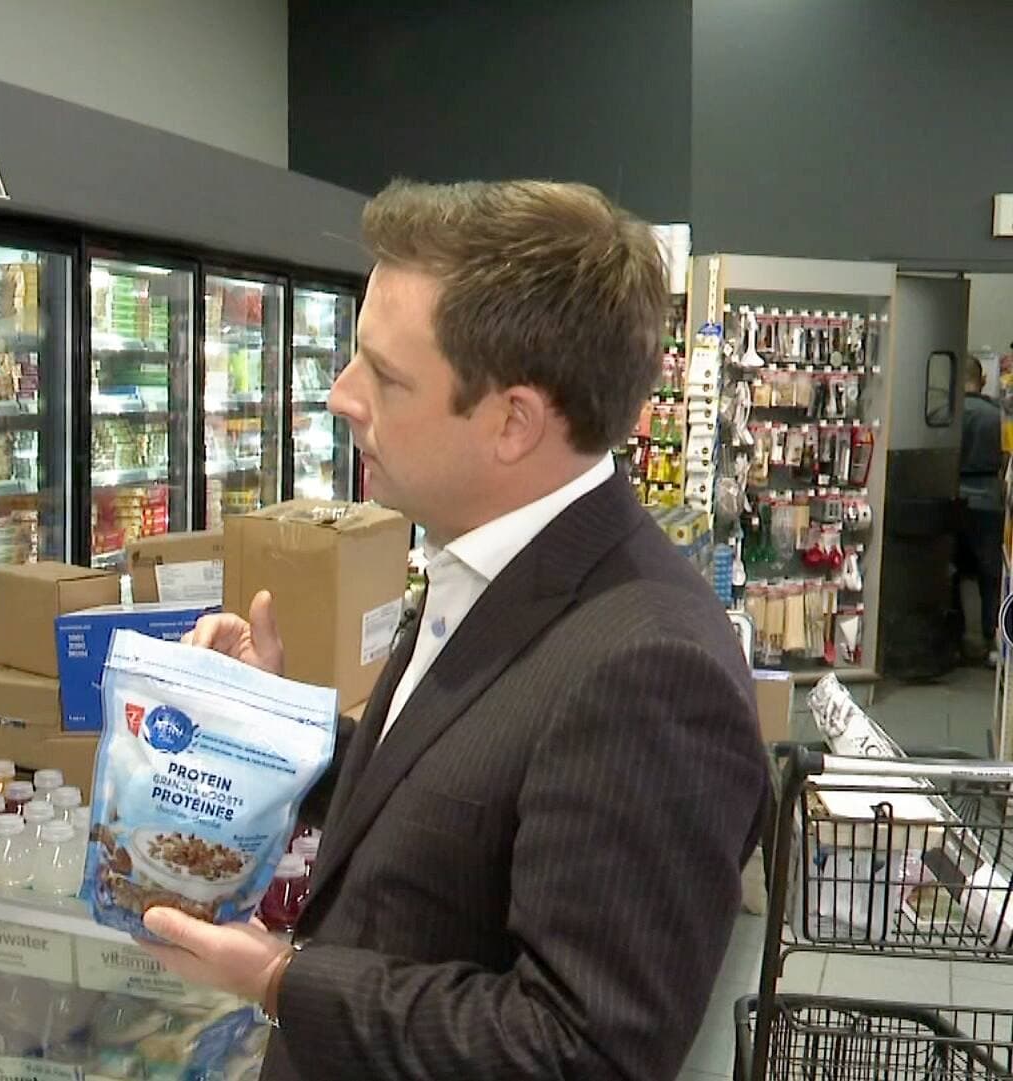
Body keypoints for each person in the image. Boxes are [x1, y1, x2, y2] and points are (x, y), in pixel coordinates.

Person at [144, 180, 767, 1080]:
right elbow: (454, 793)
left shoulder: (650, 668)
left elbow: (581, 1050)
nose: (340, 394)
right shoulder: (485, 561)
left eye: (386, 376)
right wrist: (278, 727)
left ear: (513, 421)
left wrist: (284, 978)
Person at [955, 355, 1004, 661]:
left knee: (952, 571)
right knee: (990, 575)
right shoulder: (997, 415)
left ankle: (957, 637)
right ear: (983, 379)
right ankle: (992, 640)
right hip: (989, 499)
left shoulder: (947, 413)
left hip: (956, 496)